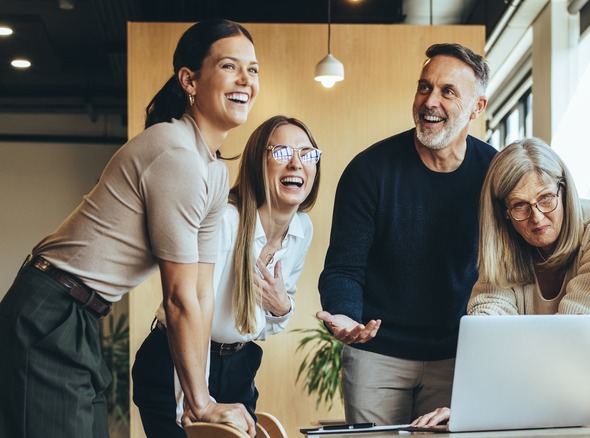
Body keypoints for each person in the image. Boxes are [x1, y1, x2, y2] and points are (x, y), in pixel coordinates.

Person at [0, 19, 259, 438]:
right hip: (49, 310)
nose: (245, 80)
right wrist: (201, 403)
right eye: (230, 66)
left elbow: (199, 292)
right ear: (189, 80)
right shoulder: (175, 153)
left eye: (253, 69)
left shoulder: (211, 172)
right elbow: (176, 298)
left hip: (79, 313)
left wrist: (199, 398)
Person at [316, 43, 496, 425]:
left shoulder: (495, 173)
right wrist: (346, 316)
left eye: (448, 91)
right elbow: (344, 269)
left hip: (459, 355)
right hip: (377, 355)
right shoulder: (369, 171)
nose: (430, 101)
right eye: (424, 87)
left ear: (477, 108)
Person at [411, 138, 590, 428]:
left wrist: (485, 406)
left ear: (564, 189)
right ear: (504, 213)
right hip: (534, 404)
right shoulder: (505, 247)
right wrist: (472, 408)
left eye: (546, 198)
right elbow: (489, 334)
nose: (537, 217)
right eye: (520, 206)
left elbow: (569, 343)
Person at [133, 116, 321, 436]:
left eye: (307, 154)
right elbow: (191, 315)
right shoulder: (226, 222)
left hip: (237, 365)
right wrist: (193, 402)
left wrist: (281, 307)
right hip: (179, 359)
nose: (296, 164)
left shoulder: (302, 230)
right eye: (281, 153)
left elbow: (265, 327)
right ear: (256, 163)